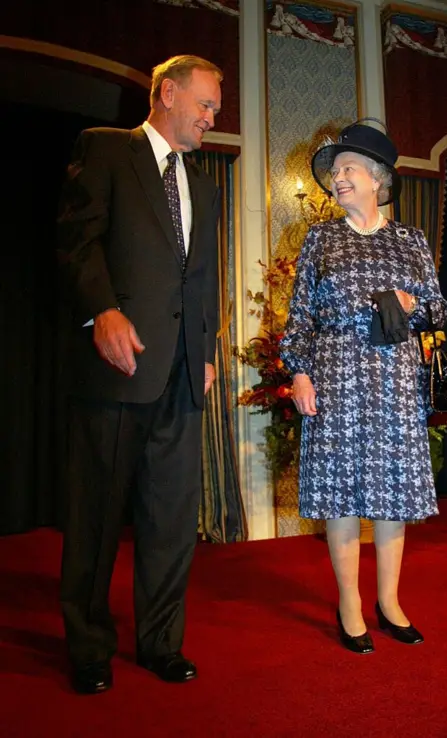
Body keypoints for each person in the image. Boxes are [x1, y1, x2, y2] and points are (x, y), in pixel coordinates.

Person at [57, 55, 223, 694]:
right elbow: (76, 238)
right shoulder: (105, 150)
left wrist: (204, 351)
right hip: (116, 367)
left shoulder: (203, 186)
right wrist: (101, 309)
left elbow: (201, 277)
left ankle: (160, 643)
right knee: (96, 515)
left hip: (181, 375)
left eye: (215, 109)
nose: (211, 118)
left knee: (170, 520)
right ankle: (90, 646)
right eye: (205, 105)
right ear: (168, 92)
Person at [280, 120, 447, 654]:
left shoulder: (409, 240)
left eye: (348, 169)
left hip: (394, 382)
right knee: (342, 497)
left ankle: (390, 601)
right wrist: (299, 370)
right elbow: (300, 316)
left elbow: (439, 307)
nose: (338, 179)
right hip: (334, 380)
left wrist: (409, 303)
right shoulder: (320, 238)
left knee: (392, 496)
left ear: (378, 179)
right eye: (334, 173)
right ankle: (350, 604)